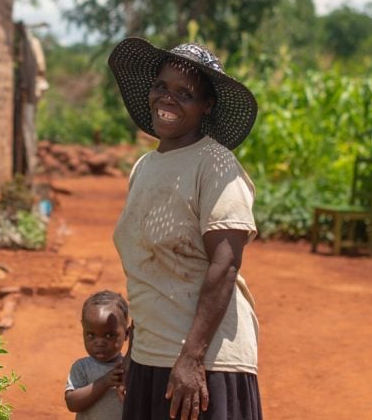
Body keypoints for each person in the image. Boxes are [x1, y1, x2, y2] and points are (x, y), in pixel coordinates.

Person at [108, 38, 262, 420]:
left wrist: (192, 358)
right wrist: (135, 349)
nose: (168, 99)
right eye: (162, 86)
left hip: (204, 362)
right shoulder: (144, 167)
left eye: (185, 93)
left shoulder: (215, 164)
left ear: (206, 105)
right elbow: (149, 271)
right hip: (152, 355)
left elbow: (224, 265)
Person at [65, 290, 132, 419]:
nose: (99, 343)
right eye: (91, 335)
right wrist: (105, 382)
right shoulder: (81, 367)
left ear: (127, 334)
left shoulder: (130, 369)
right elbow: (72, 403)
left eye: (109, 335)